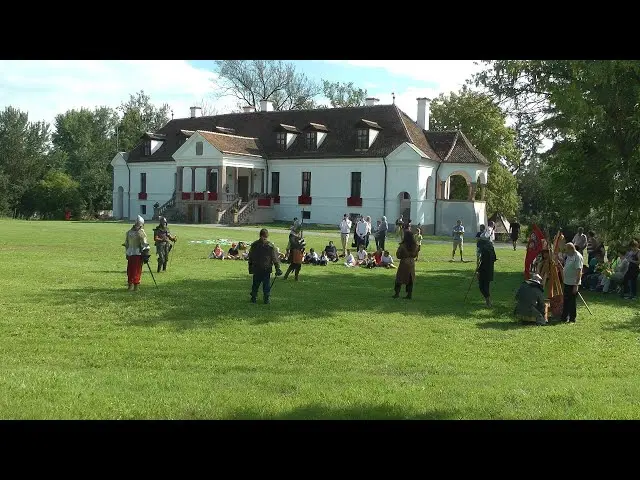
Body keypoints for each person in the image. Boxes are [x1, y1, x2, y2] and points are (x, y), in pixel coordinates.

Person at [248, 228, 282, 304]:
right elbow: (251, 257)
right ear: (261, 236)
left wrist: (277, 268)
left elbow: (275, 258)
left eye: (265, 237)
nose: (264, 238)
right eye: (263, 237)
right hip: (258, 268)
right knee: (256, 284)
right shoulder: (255, 245)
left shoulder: (270, 246)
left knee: (265, 285)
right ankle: (254, 297)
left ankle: (265, 298)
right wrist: (250, 268)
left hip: (265, 269)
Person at [124, 215, 151, 292]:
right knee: (132, 270)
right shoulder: (138, 232)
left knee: (134, 270)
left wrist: (146, 254)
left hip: (136, 254)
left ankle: (134, 285)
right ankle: (132, 285)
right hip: (134, 254)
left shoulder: (132, 232)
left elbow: (144, 244)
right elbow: (127, 244)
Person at [561, 242, 584, 323]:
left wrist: (576, 285)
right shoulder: (569, 255)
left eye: (566, 250)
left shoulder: (578, 257)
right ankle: (564, 317)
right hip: (567, 282)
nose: (565, 252)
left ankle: (572, 318)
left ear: (571, 249)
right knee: (566, 300)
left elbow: (579, 271)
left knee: (572, 302)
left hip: (573, 283)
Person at [393, 231, 419, 299]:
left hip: (404, 262)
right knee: (410, 279)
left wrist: (403, 255)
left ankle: (397, 293)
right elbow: (416, 254)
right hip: (411, 262)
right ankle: (409, 294)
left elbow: (398, 255)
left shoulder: (402, 245)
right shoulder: (415, 245)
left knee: (399, 278)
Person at [477, 237, 497, 307]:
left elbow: (483, 263)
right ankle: (488, 301)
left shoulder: (484, 250)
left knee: (482, 286)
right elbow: (494, 258)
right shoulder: (491, 248)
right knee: (486, 286)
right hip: (490, 269)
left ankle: (488, 302)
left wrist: (478, 271)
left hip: (484, 270)